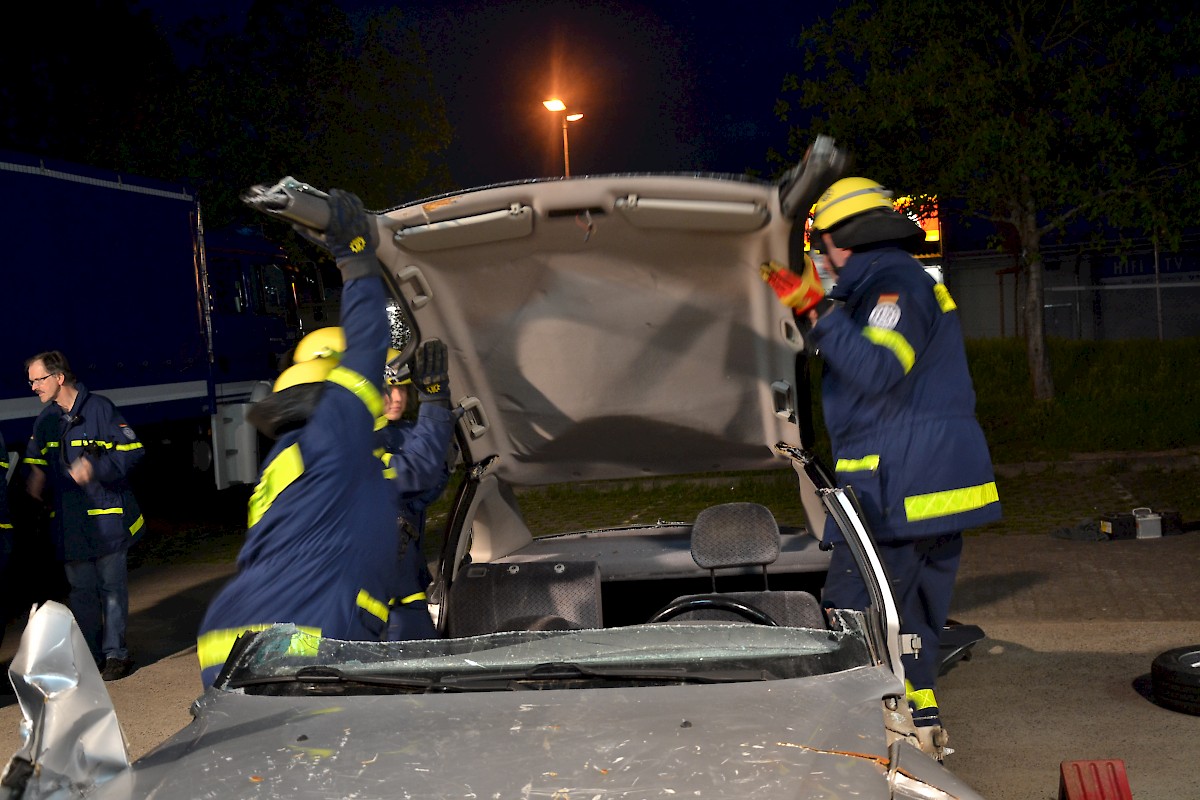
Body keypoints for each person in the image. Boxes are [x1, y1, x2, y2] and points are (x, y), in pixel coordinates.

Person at [766, 177, 1002, 757]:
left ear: (842, 241)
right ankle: (920, 727)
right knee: (914, 624)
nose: (821, 261)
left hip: (896, 489)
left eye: (822, 248)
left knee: (858, 615)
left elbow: (873, 369)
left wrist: (810, 305)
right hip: (933, 489)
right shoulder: (903, 282)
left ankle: (859, 746)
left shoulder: (895, 289)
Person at [195, 189, 452, 688]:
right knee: (322, 753)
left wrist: (436, 407)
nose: (381, 392)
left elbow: (414, 471)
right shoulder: (335, 439)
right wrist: (355, 257)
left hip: (229, 640)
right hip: (305, 634)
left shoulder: (292, 463)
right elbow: (367, 346)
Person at [23, 350, 146, 681]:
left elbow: (134, 451)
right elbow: (35, 458)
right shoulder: (46, 421)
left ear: (59, 378)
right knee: (81, 592)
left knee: (111, 587)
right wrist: (35, 474)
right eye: (31, 380)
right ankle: (91, 656)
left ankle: (116, 654)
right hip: (71, 525)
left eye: (38, 379)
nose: (33, 386)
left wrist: (96, 468)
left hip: (106, 520)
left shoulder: (100, 409)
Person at [376, 360, 458, 640]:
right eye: (387, 388)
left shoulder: (406, 433)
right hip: (378, 599)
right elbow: (412, 480)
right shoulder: (356, 444)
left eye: (401, 389)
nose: (396, 397)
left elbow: (418, 494)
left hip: (407, 585)